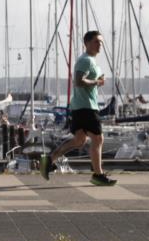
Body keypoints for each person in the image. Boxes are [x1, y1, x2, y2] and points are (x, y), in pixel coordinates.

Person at [39, 30, 117, 186]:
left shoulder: (91, 61)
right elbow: (79, 81)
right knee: (98, 138)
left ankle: (49, 160)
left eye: (101, 42)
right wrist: (96, 82)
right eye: (96, 41)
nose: (99, 44)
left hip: (80, 106)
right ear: (86, 43)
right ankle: (98, 175)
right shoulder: (85, 60)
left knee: (79, 140)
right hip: (86, 107)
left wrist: (100, 79)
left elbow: (94, 78)